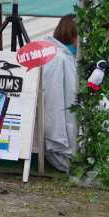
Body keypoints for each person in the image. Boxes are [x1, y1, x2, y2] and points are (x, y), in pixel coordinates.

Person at [40, 15, 78, 171]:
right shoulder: (59, 58)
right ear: (74, 35)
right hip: (57, 136)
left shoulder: (61, 55)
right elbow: (54, 103)